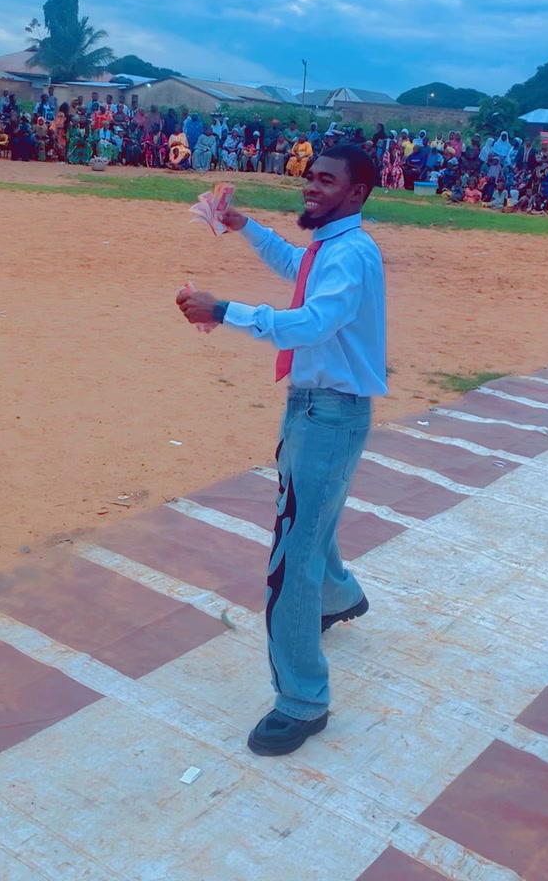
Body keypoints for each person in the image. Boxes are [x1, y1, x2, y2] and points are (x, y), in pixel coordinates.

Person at [176, 144, 386, 756]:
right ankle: (340, 595)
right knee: (308, 517)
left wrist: (224, 310)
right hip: (315, 407)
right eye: (309, 178)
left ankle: (302, 700)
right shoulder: (330, 248)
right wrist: (245, 226)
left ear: (357, 192)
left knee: (292, 559)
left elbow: (314, 322)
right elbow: (298, 265)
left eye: (327, 181)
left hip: (330, 413)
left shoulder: (351, 254)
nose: (311, 187)